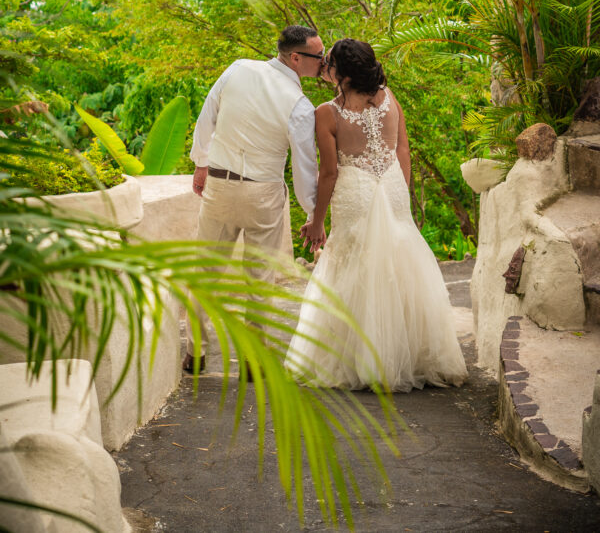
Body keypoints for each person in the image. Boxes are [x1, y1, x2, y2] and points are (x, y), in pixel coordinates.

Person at [285, 38, 467, 391]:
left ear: (345, 74)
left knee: (355, 263)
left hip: (356, 190)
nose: (325, 67)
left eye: (330, 63)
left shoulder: (327, 112)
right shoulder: (388, 97)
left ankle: (362, 360)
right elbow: (402, 148)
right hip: (392, 185)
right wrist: (399, 190)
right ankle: (410, 355)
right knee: (400, 258)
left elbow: (329, 173)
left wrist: (317, 220)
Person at [183, 25, 324, 375]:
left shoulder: (237, 69)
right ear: (296, 58)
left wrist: (201, 163)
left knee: (205, 272)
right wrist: (312, 213)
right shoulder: (300, 105)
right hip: (263, 192)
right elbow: (305, 167)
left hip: (219, 185)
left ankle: (195, 353)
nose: (323, 63)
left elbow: (207, 115)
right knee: (259, 278)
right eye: (318, 57)